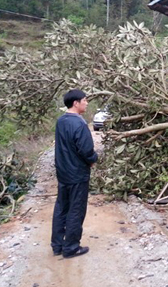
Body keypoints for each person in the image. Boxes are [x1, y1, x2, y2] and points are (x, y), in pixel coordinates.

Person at [51, 89, 98, 258]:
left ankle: (57, 245)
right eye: (84, 100)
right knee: (76, 209)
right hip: (77, 173)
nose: (86, 103)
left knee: (62, 208)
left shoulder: (61, 121)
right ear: (76, 103)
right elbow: (86, 150)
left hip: (63, 172)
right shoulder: (79, 123)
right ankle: (71, 247)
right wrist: (93, 159)